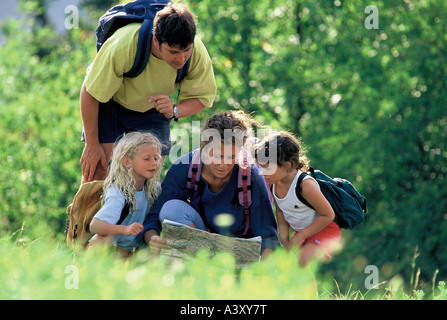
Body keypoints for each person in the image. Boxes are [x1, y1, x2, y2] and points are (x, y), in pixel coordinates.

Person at [80, 3, 217, 182]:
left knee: (146, 183)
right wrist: (91, 145)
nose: (181, 59)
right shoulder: (125, 44)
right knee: (98, 177)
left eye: (186, 51)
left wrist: (174, 110)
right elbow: (90, 92)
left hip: (155, 112)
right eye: (173, 52)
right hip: (113, 107)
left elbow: (203, 97)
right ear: (155, 40)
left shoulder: (196, 50)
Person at [142, 111, 279, 259]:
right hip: (200, 242)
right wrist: (152, 239)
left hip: (239, 248)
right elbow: (153, 219)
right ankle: (196, 262)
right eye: (217, 156)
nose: (223, 165)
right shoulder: (185, 168)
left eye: (231, 157)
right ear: (203, 146)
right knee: (171, 209)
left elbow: (268, 238)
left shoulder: (251, 177)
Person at [254, 131, 341, 267]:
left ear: (287, 165)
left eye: (268, 168)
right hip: (301, 233)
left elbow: (328, 215)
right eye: (262, 167)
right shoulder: (274, 184)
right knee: (295, 268)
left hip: (324, 230)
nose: (262, 173)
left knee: (302, 262)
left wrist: (301, 236)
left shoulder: (305, 185)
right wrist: (284, 240)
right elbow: (281, 212)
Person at [89, 131, 162, 254]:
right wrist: (125, 229)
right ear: (127, 162)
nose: (154, 163)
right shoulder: (118, 192)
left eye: (156, 158)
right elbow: (95, 225)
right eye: (146, 158)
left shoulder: (154, 189)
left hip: (136, 251)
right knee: (101, 240)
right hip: (114, 249)